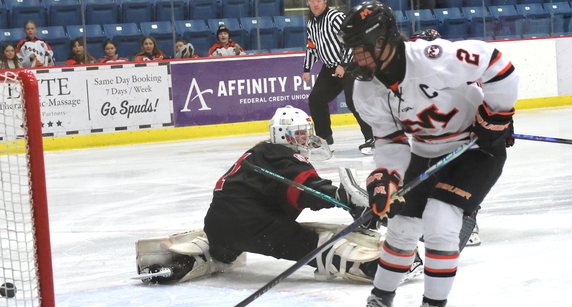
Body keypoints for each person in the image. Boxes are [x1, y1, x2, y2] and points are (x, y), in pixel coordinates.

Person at [339, 0, 519, 307]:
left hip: (474, 149)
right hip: (425, 150)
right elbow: (390, 140)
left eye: (365, 49)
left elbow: (500, 65)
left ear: (387, 39)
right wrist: (386, 176)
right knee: (401, 226)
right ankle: (381, 302)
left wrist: (497, 116)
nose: (358, 58)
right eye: (354, 50)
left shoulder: (434, 58)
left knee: (440, 220)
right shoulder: (365, 88)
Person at [136, 107, 420, 286]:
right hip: (256, 227)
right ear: (285, 136)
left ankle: (182, 262)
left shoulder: (256, 151)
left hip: (218, 225)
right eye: (299, 133)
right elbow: (306, 191)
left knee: (224, 251)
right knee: (320, 240)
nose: (305, 139)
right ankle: (376, 267)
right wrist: (343, 198)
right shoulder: (284, 155)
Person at [303, 0, 375, 155]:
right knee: (316, 99)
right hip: (330, 68)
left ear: (325, 1)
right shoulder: (311, 23)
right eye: (312, 1)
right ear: (308, 3)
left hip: (350, 65)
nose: (316, 4)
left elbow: (352, 40)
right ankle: (324, 139)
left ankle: (373, 138)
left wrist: (343, 64)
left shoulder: (335, 17)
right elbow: (311, 47)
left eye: (319, 0)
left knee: (354, 101)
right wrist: (307, 68)